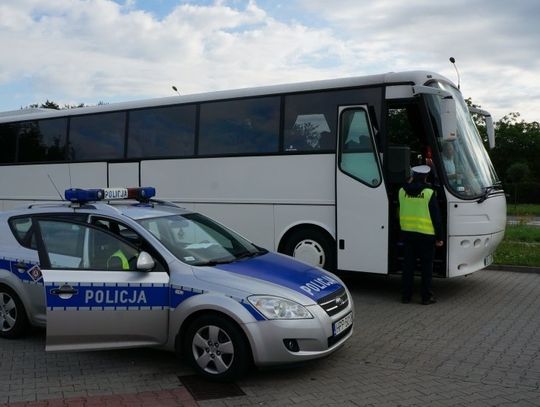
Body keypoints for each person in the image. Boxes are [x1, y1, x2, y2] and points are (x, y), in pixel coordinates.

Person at [398, 165, 444, 305]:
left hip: (407, 234)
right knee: (426, 268)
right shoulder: (429, 193)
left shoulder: (401, 191)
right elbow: (436, 217)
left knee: (408, 267)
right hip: (426, 236)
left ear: (413, 176)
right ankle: (426, 297)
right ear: (425, 177)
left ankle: (406, 296)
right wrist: (439, 237)